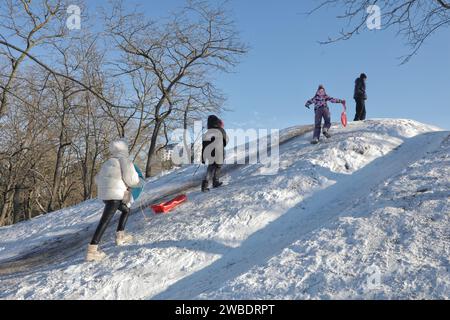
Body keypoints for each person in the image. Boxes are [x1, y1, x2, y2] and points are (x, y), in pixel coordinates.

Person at [86, 140, 140, 262]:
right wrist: (137, 181)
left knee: (126, 210)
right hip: (115, 195)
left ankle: (120, 236)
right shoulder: (124, 161)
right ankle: (92, 250)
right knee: (104, 221)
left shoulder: (107, 162)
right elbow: (132, 179)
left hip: (106, 196)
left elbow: (97, 179)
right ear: (124, 149)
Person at [202, 115, 229, 192]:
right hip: (219, 151)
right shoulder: (221, 130)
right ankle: (215, 182)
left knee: (210, 168)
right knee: (218, 167)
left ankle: (204, 186)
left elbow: (204, 145)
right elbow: (225, 141)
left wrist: (203, 158)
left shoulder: (207, 132)